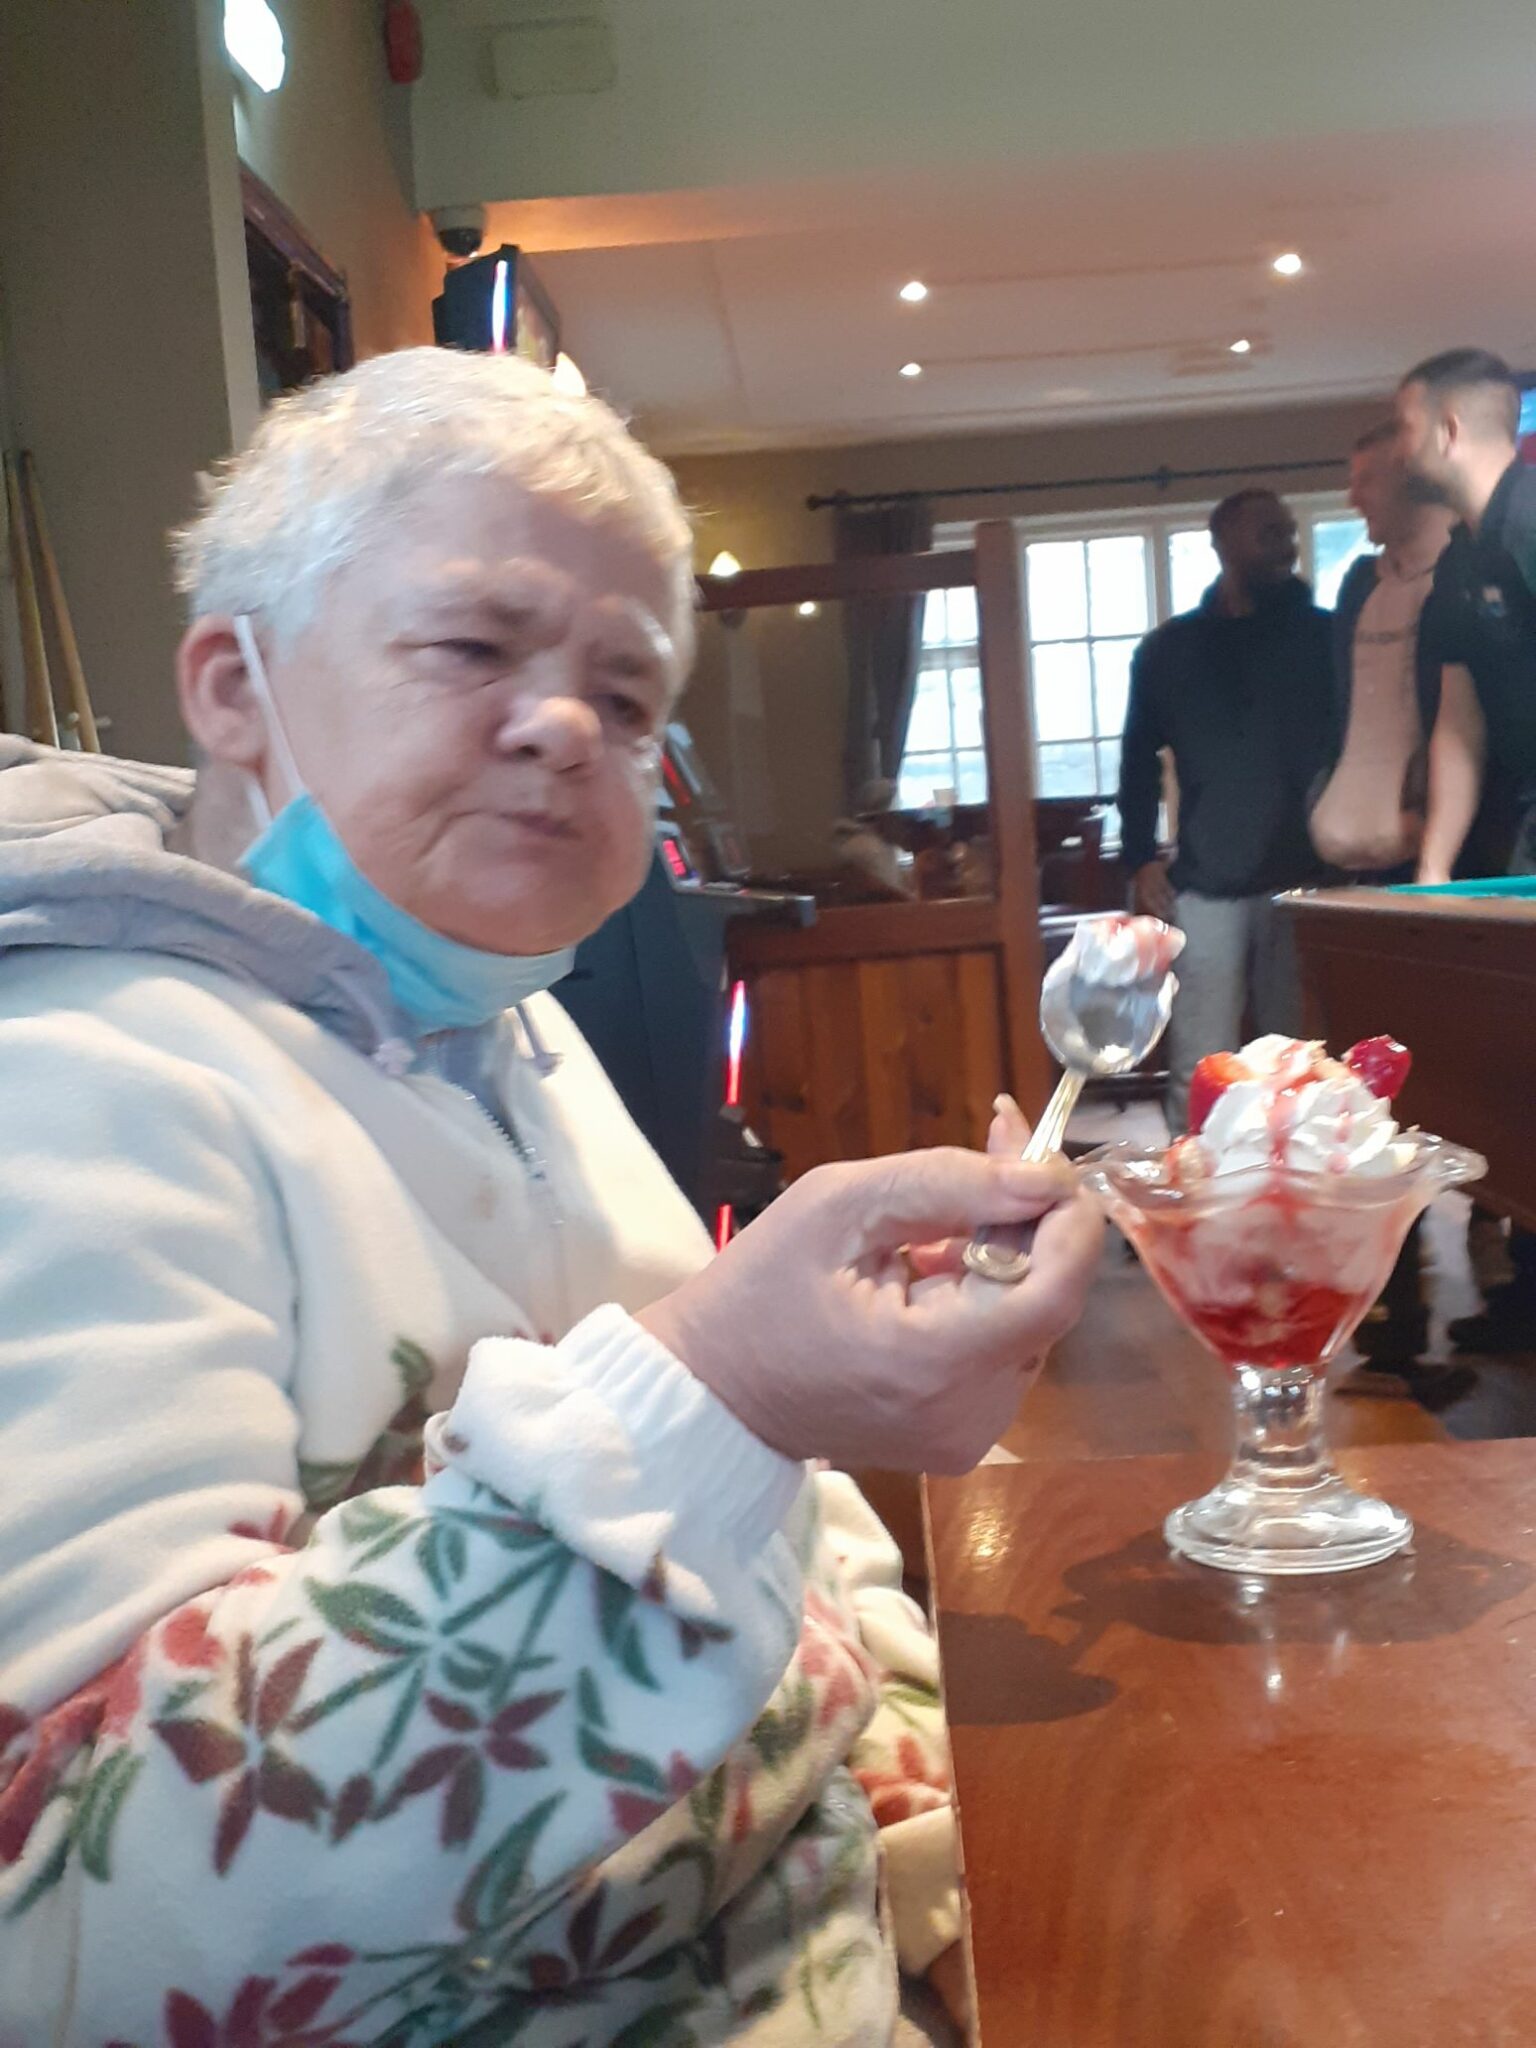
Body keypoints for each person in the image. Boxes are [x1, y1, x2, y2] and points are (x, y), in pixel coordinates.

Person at [0, 351, 1103, 2045]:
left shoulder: (503, 1015)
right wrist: (727, 1388)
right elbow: (77, 1923)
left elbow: (793, 1518)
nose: (572, 726)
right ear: (232, 684)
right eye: (471, 646)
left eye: (630, 694)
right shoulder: (71, 1081)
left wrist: (914, 1827)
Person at [1396, 346, 1536, 1352]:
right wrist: (1435, 874)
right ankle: (1528, 1295)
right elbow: (1459, 723)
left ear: (1447, 430)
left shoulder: (1531, 518)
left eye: (1406, 426)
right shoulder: (1462, 559)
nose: (1399, 445)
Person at [1118, 487, 1335, 1133]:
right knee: (1201, 1067)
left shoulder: (1325, 637)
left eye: (1289, 532)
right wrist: (1139, 857)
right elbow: (1137, 761)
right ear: (1223, 542)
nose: (1286, 545)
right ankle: (1190, 1185)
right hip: (1207, 882)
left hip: (1310, 881)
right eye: (1270, 532)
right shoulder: (1168, 651)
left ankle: (1296, 1187)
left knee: (1300, 1068)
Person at [1311, 420, 1479, 886]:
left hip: (1457, 856)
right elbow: (1340, 708)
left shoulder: (1473, 575)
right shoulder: (1359, 583)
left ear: (1412, 481)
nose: (1353, 498)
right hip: (1350, 853)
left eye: (1367, 480)